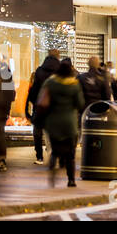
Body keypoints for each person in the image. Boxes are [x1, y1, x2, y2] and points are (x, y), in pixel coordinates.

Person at [39, 58, 85, 188]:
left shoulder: (50, 82)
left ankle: (53, 166)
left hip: (52, 122)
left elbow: (42, 101)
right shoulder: (74, 84)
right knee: (70, 154)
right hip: (69, 123)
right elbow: (80, 104)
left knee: (55, 150)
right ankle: (71, 180)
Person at [24, 50, 61, 165]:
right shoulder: (60, 71)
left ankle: (39, 156)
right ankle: (54, 155)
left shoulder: (40, 71)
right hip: (55, 107)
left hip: (41, 105)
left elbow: (35, 90)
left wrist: (34, 103)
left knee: (38, 131)